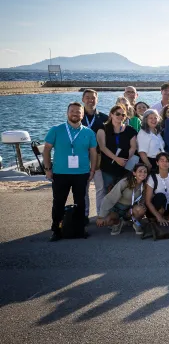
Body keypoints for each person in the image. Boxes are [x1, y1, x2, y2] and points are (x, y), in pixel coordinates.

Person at [43, 102, 98, 241]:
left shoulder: (89, 132)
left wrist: (92, 170)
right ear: (67, 113)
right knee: (58, 202)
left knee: (81, 202)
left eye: (78, 112)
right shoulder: (56, 130)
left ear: (82, 114)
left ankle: (80, 229)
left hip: (81, 173)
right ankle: (56, 229)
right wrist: (48, 169)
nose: (75, 114)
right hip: (60, 173)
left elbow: (93, 153)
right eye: (72, 111)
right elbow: (46, 150)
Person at [97, 162, 148, 236]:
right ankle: (117, 223)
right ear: (134, 173)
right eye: (140, 171)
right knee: (107, 221)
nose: (143, 173)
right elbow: (109, 198)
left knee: (140, 209)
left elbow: (143, 199)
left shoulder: (145, 185)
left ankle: (136, 223)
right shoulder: (125, 182)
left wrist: (141, 206)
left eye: (145, 172)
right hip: (117, 208)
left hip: (129, 209)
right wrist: (100, 216)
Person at [96, 104, 138, 191]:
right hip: (107, 166)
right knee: (108, 190)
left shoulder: (130, 130)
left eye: (123, 115)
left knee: (122, 191)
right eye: (117, 114)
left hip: (124, 165)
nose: (120, 116)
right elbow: (102, 147)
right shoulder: (102, 129)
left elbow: (133, 147)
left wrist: (125, 160)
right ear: (111, 114)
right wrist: (116, 159)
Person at [81, 89, 109, 217]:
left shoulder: (104, 118)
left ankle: (100, 214)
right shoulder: (77, 117)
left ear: (97, 100)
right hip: (81, 158)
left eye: (93, 98)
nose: (90, 100)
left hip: (98, 157)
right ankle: (84, 215)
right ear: (83, 99)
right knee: (83, 189)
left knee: (100, 188)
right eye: (87, 97)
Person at [145, 152, 169, 229]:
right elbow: (148, 201)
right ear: (157, 162)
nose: (165, 163)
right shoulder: (152, 177)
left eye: (167, 161)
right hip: (157, 206)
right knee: (160, 196)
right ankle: (157, 219)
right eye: (162, 160)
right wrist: (159, 217)